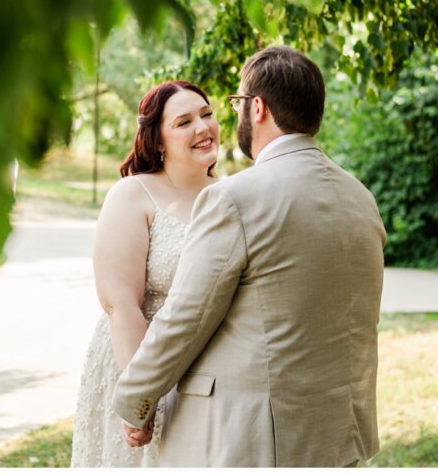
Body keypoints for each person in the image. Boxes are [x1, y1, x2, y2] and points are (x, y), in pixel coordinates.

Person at [112, 45, 386, 467]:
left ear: (257, 108)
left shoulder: (235, 198)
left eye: (237, 103)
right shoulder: (361, 197)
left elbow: (185, 318)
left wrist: (135, 401)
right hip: (339, 434)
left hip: (257, 439)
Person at [70, 80, 220, 467]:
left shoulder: (229, 197)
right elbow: (119, 303)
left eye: (206, 115)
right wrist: (141, 398)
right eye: (184, 122)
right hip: (134, 358)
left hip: (204, 372)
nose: (203, 128)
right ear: (157, 141)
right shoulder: (135, 194)